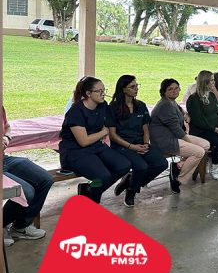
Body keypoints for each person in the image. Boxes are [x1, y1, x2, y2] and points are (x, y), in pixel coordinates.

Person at [59, 76, 132, 203]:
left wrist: (103, 132)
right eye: (99, 91)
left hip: (96, 147)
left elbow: (107, 123)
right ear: (88, 93)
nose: (103, 93)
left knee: (124, 165)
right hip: (75, 151)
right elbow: (84, 141)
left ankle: (90, 190)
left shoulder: (102, 106)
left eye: (104, 90)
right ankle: (92, 202)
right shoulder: (75, 112)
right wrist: (103, 132)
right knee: (102, 176)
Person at [107, 75, 168, 207]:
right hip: (122, 146)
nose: (136, 89)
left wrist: (146, 144)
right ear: (123, 89)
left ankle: (131, 183)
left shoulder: (140, 105)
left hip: (140, 143)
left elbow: (145, 128)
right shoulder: (113, 107)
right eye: (132, 87)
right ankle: (132, 192)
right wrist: (132, 147)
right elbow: (112, 135)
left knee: (162, 164)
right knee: (141, 167)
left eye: (137, 86)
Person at [150, 78, 210, 193]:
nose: (174, 91)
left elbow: (180, 110)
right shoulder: (165, 105)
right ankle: (178, 180)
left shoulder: (172, 102)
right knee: (199, 152)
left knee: (205, 145)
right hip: (165, 140)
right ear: (164, 92)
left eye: (176, 88)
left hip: (173, 136)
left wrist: (185, 114)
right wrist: (189, 142)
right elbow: (177, 130)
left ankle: (178, 166)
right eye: (170, 89)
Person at [3, 107, 53, 245]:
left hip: (4, 159)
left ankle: (20, 226)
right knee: (25, 191)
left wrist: (6, 137)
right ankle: (2, 225)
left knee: (45, 179)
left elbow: (7, 126)